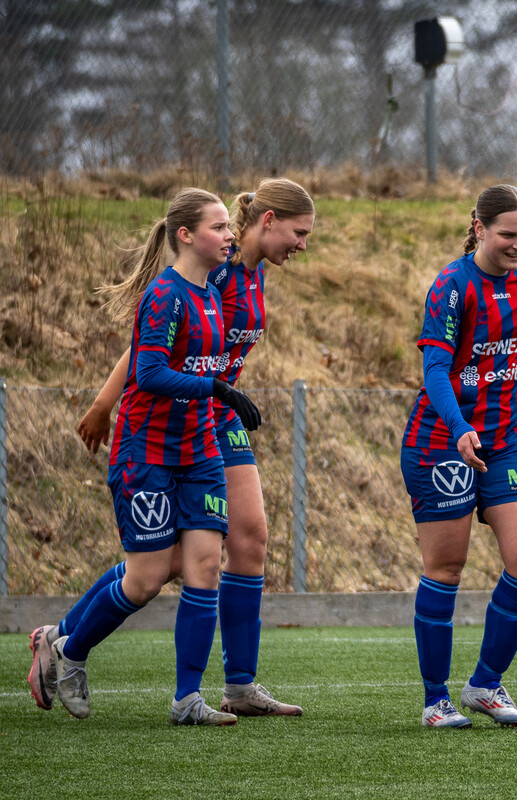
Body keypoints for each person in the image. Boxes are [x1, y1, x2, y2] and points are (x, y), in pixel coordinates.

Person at [27, 179, 313, 718]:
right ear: (269, 220)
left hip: (213, 416)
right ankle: (66, 637)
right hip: (179, 418)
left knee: (246, 541)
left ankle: (236, 686)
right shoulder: (213, 270)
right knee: (164, 567)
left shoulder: (252, 276)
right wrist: (104, 403)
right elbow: (147, 350)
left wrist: (219, 392)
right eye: (298, 233)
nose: (302, 245)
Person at [401, 184, 517, 728]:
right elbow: (434, 369)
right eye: (508, 235)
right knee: (446, 567)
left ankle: (485, 685)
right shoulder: (452, 286)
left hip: (506, 440)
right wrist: (459, 427)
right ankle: (435, 700)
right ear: (479, 229)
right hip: (440, 440)